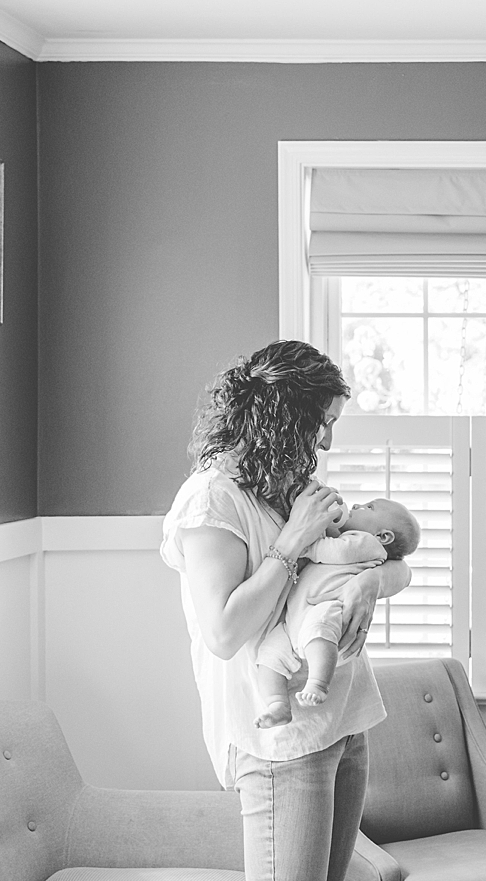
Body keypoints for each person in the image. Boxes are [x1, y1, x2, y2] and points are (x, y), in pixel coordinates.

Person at [159, 340, 411, 881]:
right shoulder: (212, 500)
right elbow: (224, 632)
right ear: (283, 417)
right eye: (322, 421)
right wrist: (292, 541)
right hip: (281, 740)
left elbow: (389, 559)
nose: (326, 440)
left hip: (345, 719)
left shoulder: (294, 483)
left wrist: (370, 584)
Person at [252, 497, 421, 729]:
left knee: (319, 629)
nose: (358, 505)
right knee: (269, 653)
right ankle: (277, 703)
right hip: (294, 617)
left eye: (369, 507)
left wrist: (304, 545)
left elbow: (338, 553)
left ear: (383, 536)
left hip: (329, 605)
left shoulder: (366, 543)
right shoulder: (346, 535)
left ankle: (318, 683)